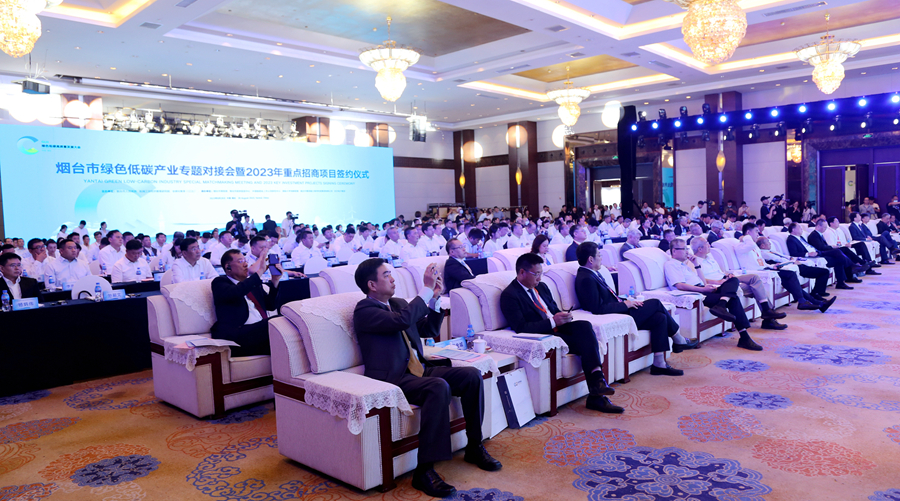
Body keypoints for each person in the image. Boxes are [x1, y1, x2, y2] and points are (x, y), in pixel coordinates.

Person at [353, 259, 499, 498]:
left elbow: (428, 330)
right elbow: (401, 321)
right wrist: (426, 289)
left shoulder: (399, 304)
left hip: (419, 369)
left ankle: (474, 446)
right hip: (394, 378)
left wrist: (435, 298)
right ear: (372, 284)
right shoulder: (365, 310)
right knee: (437, 387)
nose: (393, 279)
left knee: (471, 375)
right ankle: (424, 471)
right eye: (386, 275)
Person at [501, 252, 620, 414]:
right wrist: (553, 322)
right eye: (536, 274)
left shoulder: (542, 287)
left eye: (541, 274)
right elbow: (521, 326)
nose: (539, 278)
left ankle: (597, 381)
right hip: (545, 333)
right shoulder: (510, 295)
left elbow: (553, 310)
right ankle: (596, 395)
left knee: (585, 326)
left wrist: (563, 316)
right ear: (522, 272)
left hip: (559, 327)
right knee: (586, 344)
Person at [575, 242, 696, 375]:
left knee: (659, 318)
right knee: (655, 303)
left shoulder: (592, 273)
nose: (601, 258)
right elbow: (597, 308)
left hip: (620, 309)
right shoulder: (586, 278)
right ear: (591, 259)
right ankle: (677, 337)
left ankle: (659, 363)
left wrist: (626, 301)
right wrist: (625, 305)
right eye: (599, 255)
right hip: (616, 314)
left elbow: (608, 298)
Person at [664, 238, 762, 351]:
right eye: (684, 249)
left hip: (703, 289)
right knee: (733, 298)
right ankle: (744, 337)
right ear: (674, 251)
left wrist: (696, 265)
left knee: (733, 280)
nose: (687, 251)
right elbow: (679, 285)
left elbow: (703, 282)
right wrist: (702, 290)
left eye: (687, 248)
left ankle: (722, 304)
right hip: (697, 293)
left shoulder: (685, 265)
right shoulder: (671, 264)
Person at [692, 235, 787, 330]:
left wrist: (727, 274)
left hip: (727, 279)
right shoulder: (694, 262)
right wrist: (719, 281)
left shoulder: (710, 257)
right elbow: (700, 281)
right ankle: (768, 318)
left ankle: (767, 313)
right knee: (756, 288)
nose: (709, 245)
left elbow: (719, 272)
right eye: (706, 243)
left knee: (754, 278)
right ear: (700, 249)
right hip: (720, 286)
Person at [211, 249, 281, 356]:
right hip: (238, 335)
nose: (245, 264)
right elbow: (237, 291)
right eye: (240, 261)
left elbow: (270, 306)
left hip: (259, 333)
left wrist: (275, 281)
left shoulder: (252, 284)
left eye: (245, 260)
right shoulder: (219, 283)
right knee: (275, 322)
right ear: (228, 267)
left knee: (284, 336)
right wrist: (259, 272)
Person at [786, 222, 856, 290]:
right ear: (793, 230)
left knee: (839, 258)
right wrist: (807, 254)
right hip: (812, 256)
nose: (802, 229)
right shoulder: (791, 239)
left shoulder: (800, 237)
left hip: (816, 253)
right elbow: (794, 253)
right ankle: (852, 265)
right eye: (799, 227)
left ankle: (841, 282)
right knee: (837, 252)